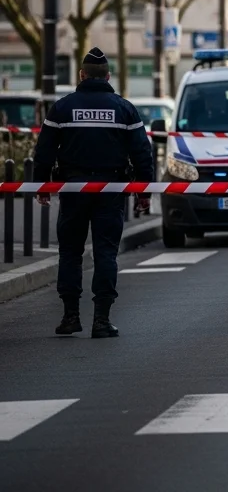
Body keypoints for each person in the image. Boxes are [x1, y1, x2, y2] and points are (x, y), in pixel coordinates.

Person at [33, 48, 154, 338]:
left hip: (73, 189)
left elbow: (45, 151)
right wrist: (143, 191)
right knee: (105, 253)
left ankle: (70, 317)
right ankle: (101, 319)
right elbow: (142, 153)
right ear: (108, 76)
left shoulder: (62, 108)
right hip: (111, 190)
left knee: (71, 253)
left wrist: (42, 184)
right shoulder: (124, 108)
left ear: (81, 75)